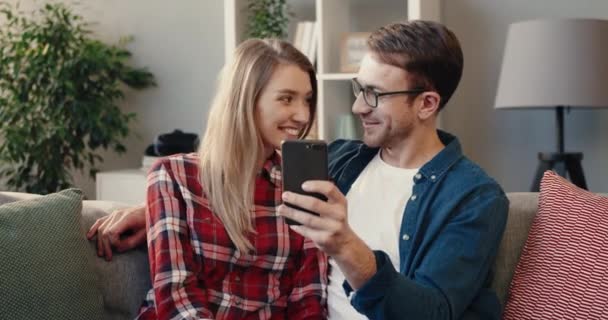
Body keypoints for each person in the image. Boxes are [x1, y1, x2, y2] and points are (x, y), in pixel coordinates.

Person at [89, 21, 508, 320]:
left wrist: (346, 246)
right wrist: (157, 212)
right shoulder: (338, 162)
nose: (358, 106)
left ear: (427, 104)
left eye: (375, 95)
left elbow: (432, 312)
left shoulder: (473, 198)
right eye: (358, 89)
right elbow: (242, 187)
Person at [99, 38, 328, 319]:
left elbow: (308, 301)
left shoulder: (304, 186)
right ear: (245, 99)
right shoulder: (173, 176)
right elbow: (177, 298)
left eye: (307, 100)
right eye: (286, 98)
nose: (304, 115)